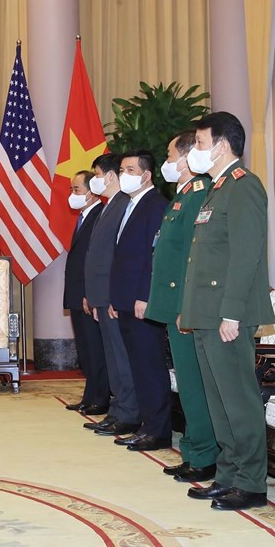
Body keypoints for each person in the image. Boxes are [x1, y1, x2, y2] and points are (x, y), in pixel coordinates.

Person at [181, 112, 272, 511]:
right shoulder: (217, 189)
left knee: (239, 400)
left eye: (200, 144)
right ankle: (229, 474)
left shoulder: (244, 186)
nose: (195, 151)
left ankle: (251, 483)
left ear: (221, 146)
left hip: (227, 314)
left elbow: (246, 256)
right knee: (219, 401)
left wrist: (232, 313)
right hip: (207, 313)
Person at [145, 130, 218, 483]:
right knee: (188, 385)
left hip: (184, 307)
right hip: (174, 304)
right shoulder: (183, 195)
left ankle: (203, 456)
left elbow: (193, 257)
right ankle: (193, 450)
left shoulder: (198, 195)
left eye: (171, 155)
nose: (168, 162)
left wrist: (183, 307)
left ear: (188, 157)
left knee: (193, 384)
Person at [109, 151, 171, 452]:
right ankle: (146, 426)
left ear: (146, 175)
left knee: (150, 367)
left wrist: (145, 295)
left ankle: (158, 432)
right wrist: (115, 297)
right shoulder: (130, 205)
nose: (124, 175)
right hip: (125, 300)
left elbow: (154, 256)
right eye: (122, 170)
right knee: (137, 367)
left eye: (130, 170)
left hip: (142, 302)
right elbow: (123, 257)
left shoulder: (155, 205)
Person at [82, 154, 140, 437]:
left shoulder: (124, 205)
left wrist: (111, 296)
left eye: (96, 174)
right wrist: (93, 296)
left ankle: (129, 413)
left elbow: (118, 258)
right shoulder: (110, 206)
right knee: (113, 358)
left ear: (110, 176)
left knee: (121, 358)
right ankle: (118, 411)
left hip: (112, 297)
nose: (95, 180)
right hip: (102, 297)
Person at [62, 170, 109, 415]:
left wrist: (89, 293)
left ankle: (100, 398)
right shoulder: (84, 216)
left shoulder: (100, 215)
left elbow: (95, 260)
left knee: (94, 348)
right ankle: (89, 396)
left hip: (88, 295)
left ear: (91, 192)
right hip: (78, 294)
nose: (72, 194)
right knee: (85, 349)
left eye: (77, 190)